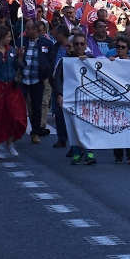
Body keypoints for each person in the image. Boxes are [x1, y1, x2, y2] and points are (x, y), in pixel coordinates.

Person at [0, 25, 27, 159]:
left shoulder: (12, 50)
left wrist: (20, 57)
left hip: (12, 87)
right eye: (8, 36)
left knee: (16, 116)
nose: (10, 39)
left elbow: (20, 66)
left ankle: (10, 141)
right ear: (1, 37)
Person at [55, 33, 97, 166]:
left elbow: (104, 71)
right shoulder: (65, 61)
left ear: (86, 46)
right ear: (72, 46)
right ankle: (77, 154)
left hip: (88, 99)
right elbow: (57, 79)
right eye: (77, 44)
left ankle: (90, 154)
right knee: (74, 127)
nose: (79, 46)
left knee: (88, 127)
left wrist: (90, 61)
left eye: (82, 44)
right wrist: (60, 94)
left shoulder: (92, 60)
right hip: (71, 99)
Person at [19, 19, 53, 144]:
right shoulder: (21, 42)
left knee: (36, 107)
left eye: (28, 29)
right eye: (26, 28)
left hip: (37, 80)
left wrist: (45, 74)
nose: (26, 31)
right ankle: (17, 130)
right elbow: (16, 61)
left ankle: (35, 132)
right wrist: (19, 57)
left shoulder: (47, 43)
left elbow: (50, 61)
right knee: (19, 106)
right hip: (23, 80)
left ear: (35, 30)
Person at [108, 35, 130, 165]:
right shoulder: (112, 61)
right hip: (116, 98)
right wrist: (107, 63)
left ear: (128, 49)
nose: (119, 49)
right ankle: (118, 155)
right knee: (117, 126)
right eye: (118, 47)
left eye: (122, 47)